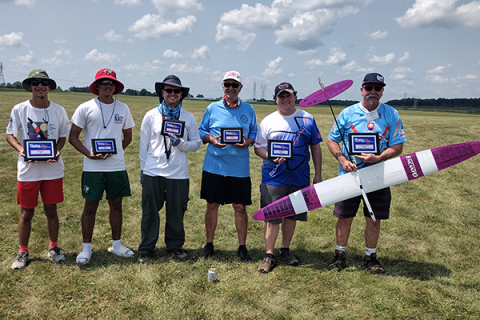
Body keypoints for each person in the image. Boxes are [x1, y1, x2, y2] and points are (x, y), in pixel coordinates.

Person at [326, 73, 407, 275]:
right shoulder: (347, 113)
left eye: (377, 88)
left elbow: (398, 146)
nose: (373, 92)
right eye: (369, 87)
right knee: (344, 217)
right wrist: (343, 160)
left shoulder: (391, 114)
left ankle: (370, 257)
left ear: (382, 91)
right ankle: (339, 256)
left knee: (374, 218)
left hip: (379, 176)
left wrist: (378, 157)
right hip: (349, 176)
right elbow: (331, 140)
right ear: (362, 90)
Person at [254, 82, 323, 273]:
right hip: (273, 178)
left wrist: (318, 174)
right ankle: (269, 255)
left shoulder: (307, 119)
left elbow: (316, 147)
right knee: (272, 218)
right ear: (276, 99)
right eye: (281, 96)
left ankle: (285, 249)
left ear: (295, 97)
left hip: (299, 179)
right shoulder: (268, 121)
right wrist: (269, 155)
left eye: (288, 96)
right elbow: (258, 147)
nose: (285, 100)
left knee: (292, 216)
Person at [69, 68, 135, 264]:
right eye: (104, 83)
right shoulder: (85, 107)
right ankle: (86, 248)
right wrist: (90, 154)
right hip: (93, 168)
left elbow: (128, 136)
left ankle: (117, 245)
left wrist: (116, 152)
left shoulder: (123, 108)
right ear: (97, 86)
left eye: (111, 83)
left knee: (116, 205)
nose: (108, 86)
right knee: (90, 206)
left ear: (116, 87)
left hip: (116, 167)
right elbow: (73, 136)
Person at [6, 69, 70, 269]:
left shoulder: (58, 110)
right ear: (30, 86)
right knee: (27, 212)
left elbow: (62, 137)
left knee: (51, 209)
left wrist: (57, 150)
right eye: (35, 83)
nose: (40, 86)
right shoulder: (19, 109)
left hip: (52, 170)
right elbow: (10, 135)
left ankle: (54, 247)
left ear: (49, 86)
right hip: (28, 170)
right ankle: (23, 251)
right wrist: (21, 150)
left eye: (44, 83)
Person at [137, 75, 200, 263]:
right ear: (162, 93)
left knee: (176, 212)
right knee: (149, 213)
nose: (172, 94)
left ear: (181, 94)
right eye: (168, 90)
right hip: (153, 172)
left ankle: (175, 246)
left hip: (178, 174)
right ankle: (147, 248)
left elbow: (196, 144)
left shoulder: (188, 117)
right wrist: (143, 170)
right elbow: (143, 145)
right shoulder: (151, 116)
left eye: (176, 91)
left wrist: (181, 144)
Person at [198, 70, 257, 262]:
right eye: (227, 85)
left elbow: (254, 132)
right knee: (212, 205)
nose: (230, 88)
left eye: (234, 85)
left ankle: (241, 246)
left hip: (239, 169)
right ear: (222, 87)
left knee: (240, 207)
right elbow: (202, 130)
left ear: (240, 88)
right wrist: (211, 139)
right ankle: (209, 244)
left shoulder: (248, 109)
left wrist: (248, 141)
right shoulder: (212, 108)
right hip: (214, 166)